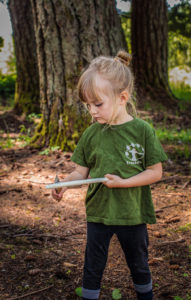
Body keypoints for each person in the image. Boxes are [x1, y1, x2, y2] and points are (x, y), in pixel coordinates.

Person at [52, 50, 167, 300]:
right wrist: (65, 184)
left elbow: (155, 172)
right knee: (93, 263)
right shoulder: (92, 134)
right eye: (88, 105)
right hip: (99, 212)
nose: (92, 111)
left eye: (98, 104)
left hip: (132, 212)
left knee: (138, 262)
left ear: (122, 97)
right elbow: (80, 171)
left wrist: (125, 183)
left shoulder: (142, 131)